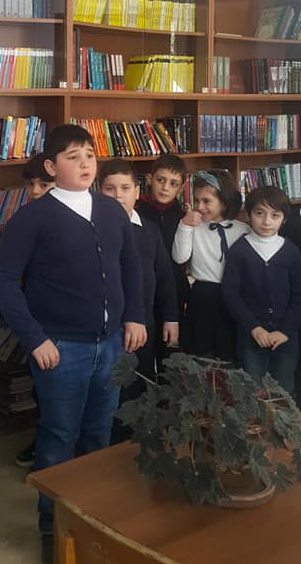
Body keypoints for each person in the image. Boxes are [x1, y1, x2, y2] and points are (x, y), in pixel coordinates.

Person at [0, 124, 145, 564]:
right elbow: (4, 280)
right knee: (58, 438)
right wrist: (34, 337)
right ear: (51, 166)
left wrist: (134, 315)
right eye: (73, 156)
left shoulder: (111, 210)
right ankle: (52, 529)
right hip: (60, 348)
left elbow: (130, 265)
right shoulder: (33, 217)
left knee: (99, 435)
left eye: (89, 155)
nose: (84, 164)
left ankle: (92, 522)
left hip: (110, 344)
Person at [99, 159, 178, 424]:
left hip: (144, 324)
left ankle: (133, 440)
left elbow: (165, 277)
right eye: (110, 189)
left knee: (138, 389)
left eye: (125, 188)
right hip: (106, 328)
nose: (118, 195)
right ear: (99, 192)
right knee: (108, 391)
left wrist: (171, 317)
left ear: (136, 191)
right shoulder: (91, 229)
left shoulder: (149, 230)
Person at [222, 186, 301, 395]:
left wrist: (285, 331)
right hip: (251, 335)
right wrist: (253, 327)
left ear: (284, 219)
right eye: (260, 213)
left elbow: (298, 295)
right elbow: (230, 293)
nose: (266, 221)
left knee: (284, 392)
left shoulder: (291, 252)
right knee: (251, 392)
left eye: (275, 215)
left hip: (285, 337)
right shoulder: (239, 251)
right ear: (248, 214)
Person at [172, 169, 249, 362]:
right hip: (203, 296)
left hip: (235, 296)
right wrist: (185, 225)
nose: (200, 207)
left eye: (206, 201)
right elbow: (179, 257)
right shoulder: (193, 227)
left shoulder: (244, 230)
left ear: (224, 201)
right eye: (197, 200)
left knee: (230, 353)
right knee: (200, 354)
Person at [15, 153, 55, 469]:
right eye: (31, 185)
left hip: (66, 318)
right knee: (41, 386)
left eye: (44, 184)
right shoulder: (26, 218)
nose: (36, 191)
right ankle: (42, 438)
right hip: (36, 315)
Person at [135, 153, 189, 354]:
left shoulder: (183, 217)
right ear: (150, 179)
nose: (165, 187)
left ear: (181, 188)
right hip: (143, 291)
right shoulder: (136, 211)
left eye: (173, 183)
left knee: (170, 354)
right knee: (141, 353)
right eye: (160, 180)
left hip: (174, 291)